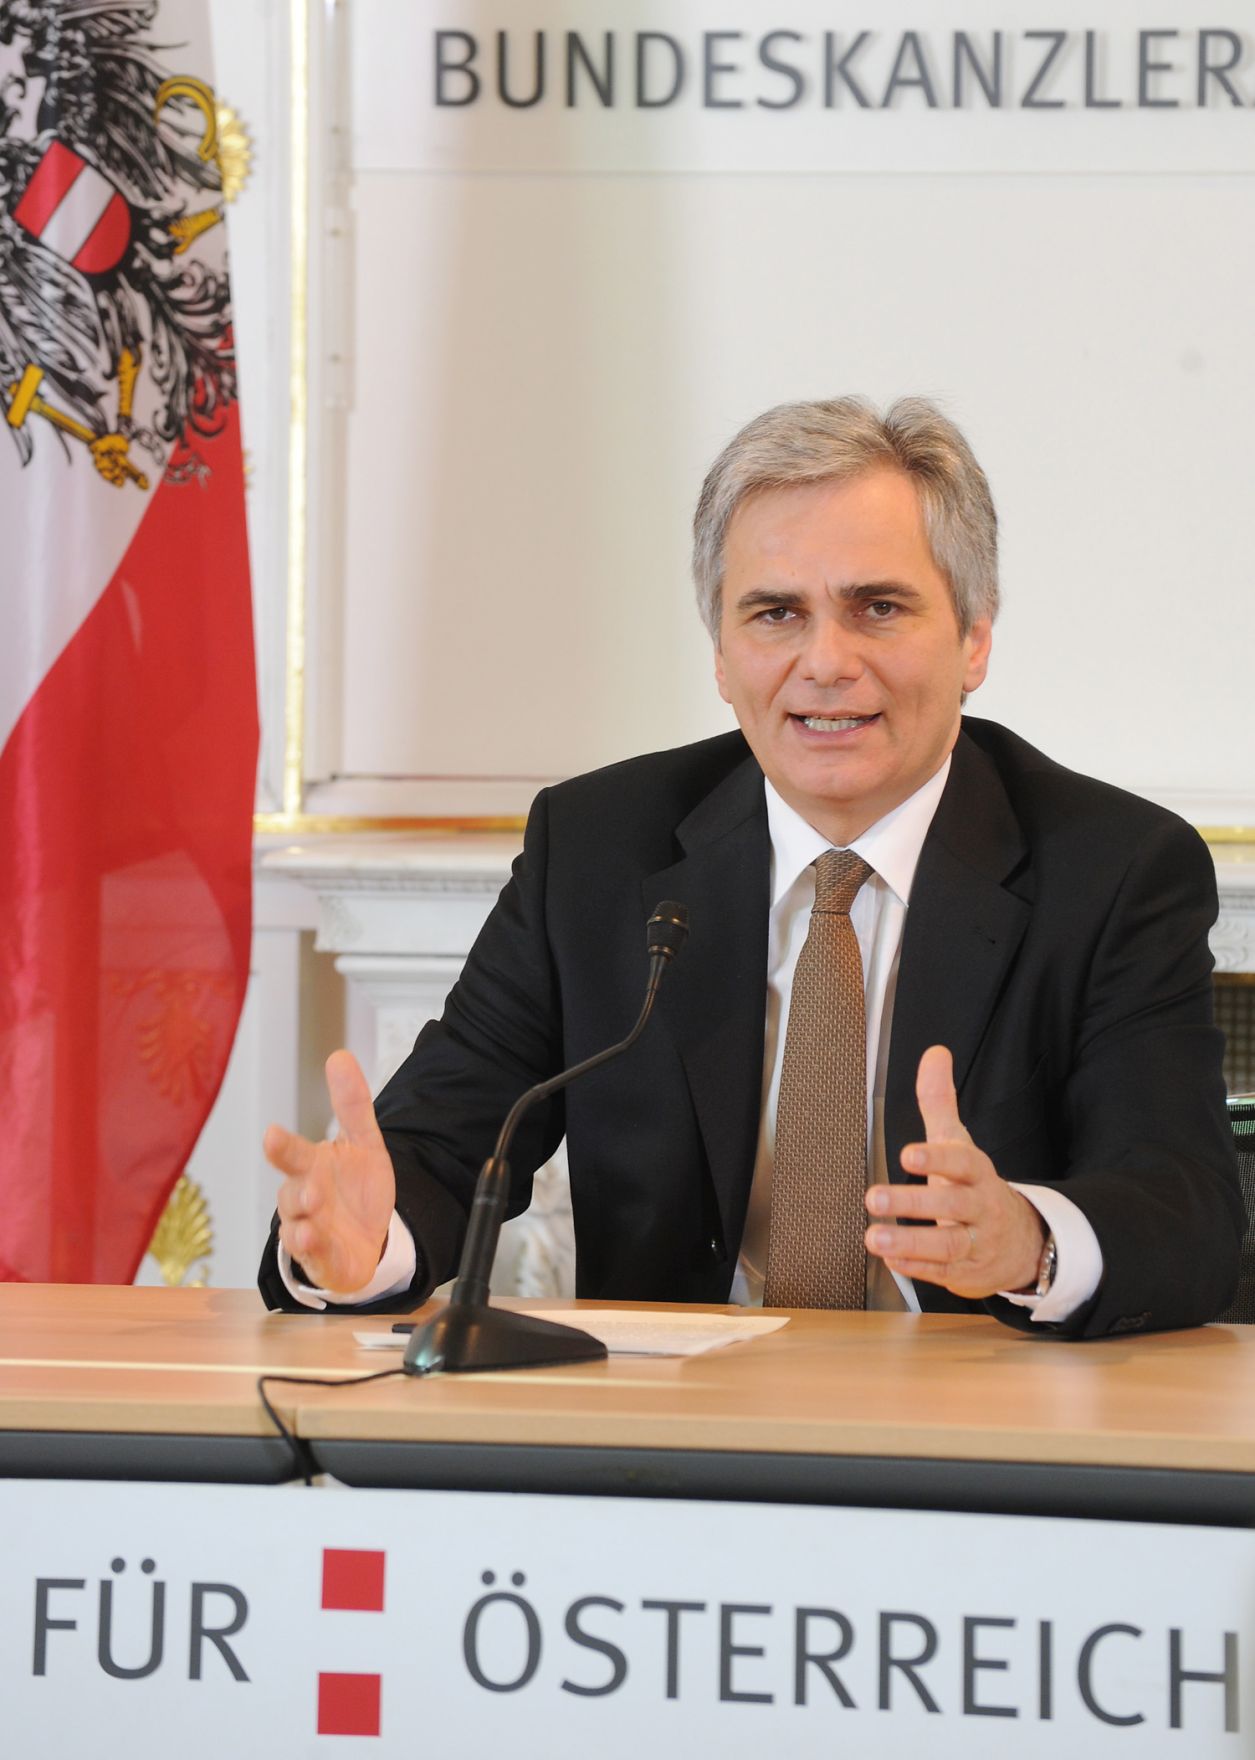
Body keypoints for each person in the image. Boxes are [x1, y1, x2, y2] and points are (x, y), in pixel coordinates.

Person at [258, 396, 1241, 1336]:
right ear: (722, 656)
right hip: (677, 1448)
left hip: (985, 1446)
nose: (823, 660)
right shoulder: (599, 849)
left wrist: (1027, 1241)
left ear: (974, 638)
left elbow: (1185, 1208)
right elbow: (435, 1147)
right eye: (774, 612)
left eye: (878, 607)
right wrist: (367, 1245)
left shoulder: (1112, 869)